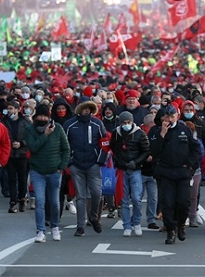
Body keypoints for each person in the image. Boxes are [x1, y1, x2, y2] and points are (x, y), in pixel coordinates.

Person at [149, 105, 200, 244]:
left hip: (182, 172)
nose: (169, 119)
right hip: (165, 172)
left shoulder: (184, 130)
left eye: (172, 117)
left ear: (177, 116)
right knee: (168, 203)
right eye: (167, 117)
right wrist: (162, 134)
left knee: (184, 202)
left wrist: (189, 164)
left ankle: (181, 225)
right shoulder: (157, 131)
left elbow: (196, 149)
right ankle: (171, 230)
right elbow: (153, 151)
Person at [24, 103, 70, 243]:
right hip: (37, 171)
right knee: (40, 202)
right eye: (40, 116)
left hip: (54, 171)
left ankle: (55, 227)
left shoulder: (58, 129)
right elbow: (33, 147)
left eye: (45, 116)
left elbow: (66, 149)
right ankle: (40, 230)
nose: (42, 118)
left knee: (55, 202)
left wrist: (61, 166)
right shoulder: (30, 129)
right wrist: (45, 135)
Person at [64, 100, 108, 237]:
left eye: (89, 108)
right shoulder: (70, 124)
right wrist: (69, 162)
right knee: (80, 197)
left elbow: (105, 143)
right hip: (76, 164)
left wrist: (99, 161)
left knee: (97, 193)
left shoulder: (97, 123)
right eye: (84, 108)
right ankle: (80, 226)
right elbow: (64, 144)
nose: (86, 111)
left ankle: (94, 216)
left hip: (93, 164)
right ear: (79, 109)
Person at [110, 111, 150, 237]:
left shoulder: (140, 133)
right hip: (122, 169)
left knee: (137, 198)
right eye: (124, 123)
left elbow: (146, 150)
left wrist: (136, 162)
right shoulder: (116, 134)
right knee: (124, 199)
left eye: (128, 122)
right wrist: (119, 162)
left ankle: (137, 222)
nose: (126, 125)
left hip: (136, 169)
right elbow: (113, 150)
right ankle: (126, 225)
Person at [3, 101, 30, 212]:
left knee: (22, 179)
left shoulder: (25, 122)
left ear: (18, 109)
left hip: (22, 154)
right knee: (11, 179)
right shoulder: (4, 122)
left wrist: (21, 143)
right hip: (9, 154)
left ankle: (22, 198)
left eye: (11, 108)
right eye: (8, 109)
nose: (9, 111)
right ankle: (13, 201)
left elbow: (30, 137)